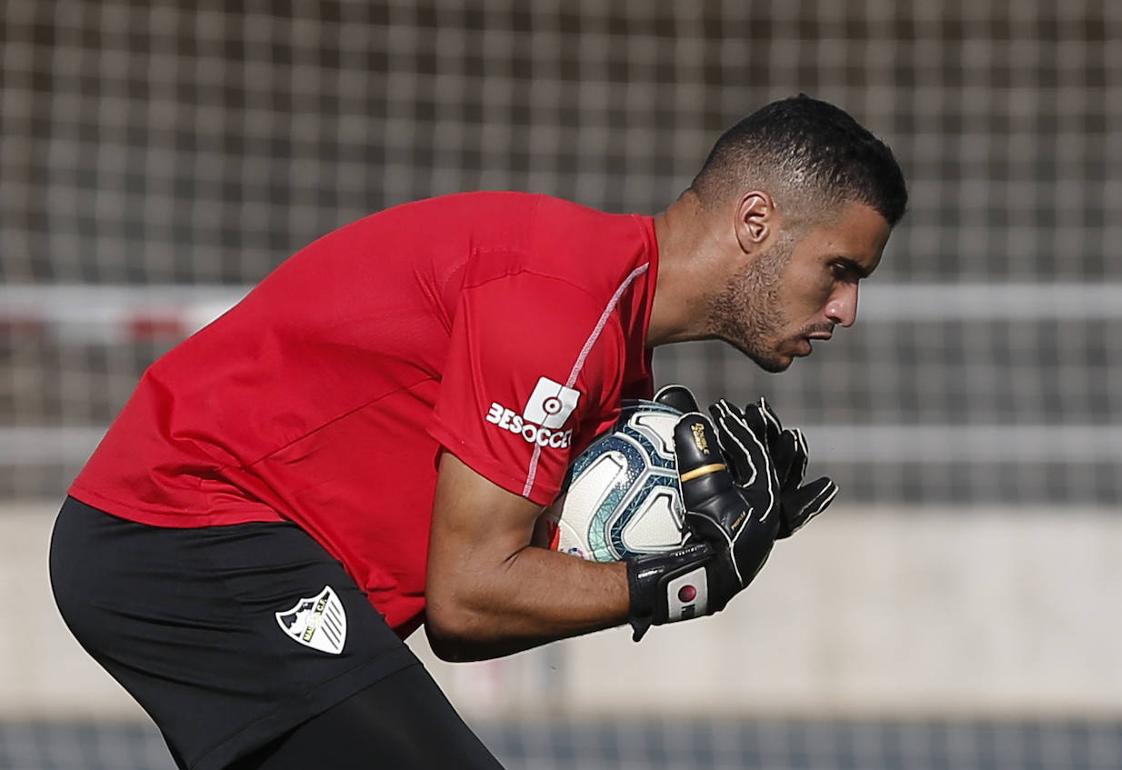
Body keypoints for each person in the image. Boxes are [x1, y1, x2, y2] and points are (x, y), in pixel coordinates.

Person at [48, 94, 907, 770]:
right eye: (839, 270)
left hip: (221, 552)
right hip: (180, 531)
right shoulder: (558, 307)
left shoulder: (611, 354)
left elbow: (501, 585)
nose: (847, 309)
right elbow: (468, 601)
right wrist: (683, 582)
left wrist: (682, 538)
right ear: (754, 224)